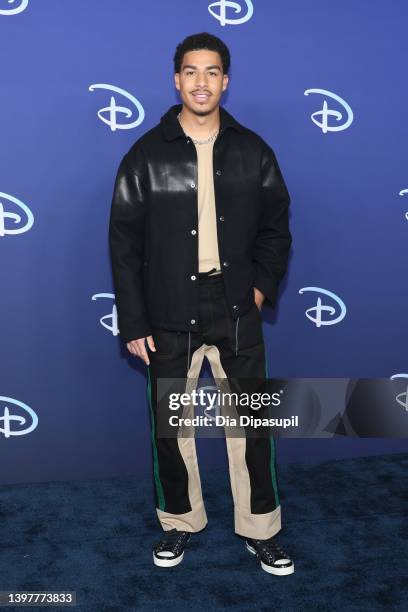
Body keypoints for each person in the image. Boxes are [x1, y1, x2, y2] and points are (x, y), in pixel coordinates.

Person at [109, 32, 294, 575]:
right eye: (191, 71)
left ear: (226, 80)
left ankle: (261, 530)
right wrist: (135, 320)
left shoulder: (253, 150)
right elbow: (123, 243)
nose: (201, 82)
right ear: (176, 79)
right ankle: (178, 523)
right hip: (168, 312)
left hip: (236, 307)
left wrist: (258, 288)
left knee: (253, 427)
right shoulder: (144, 154)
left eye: (212, 72)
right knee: (172, 427)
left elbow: (276, 229)